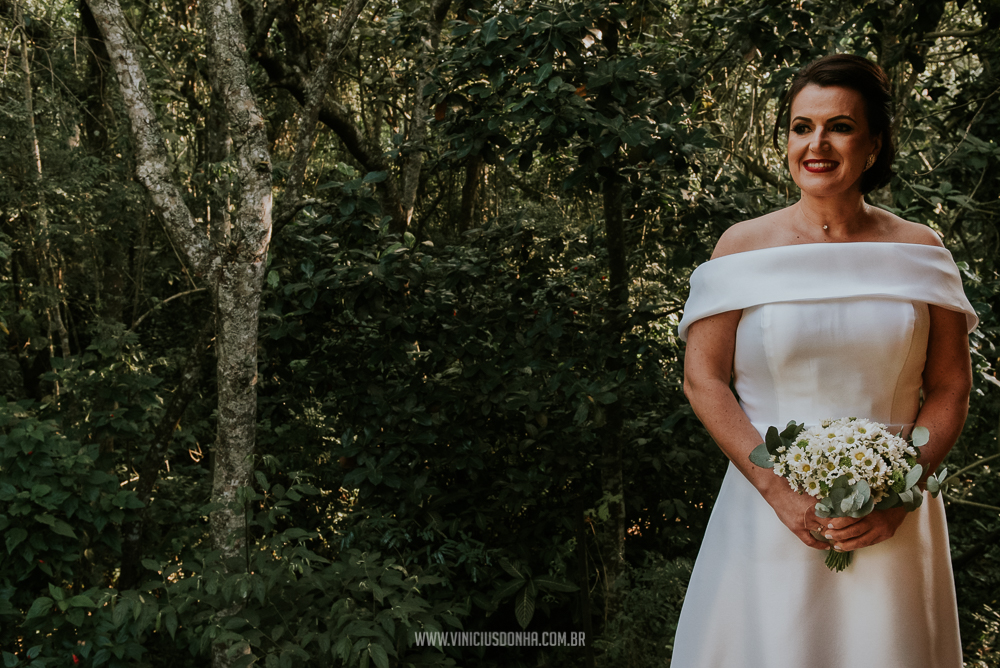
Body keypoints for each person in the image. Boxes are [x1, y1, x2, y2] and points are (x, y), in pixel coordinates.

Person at [670, 54, 977, 667]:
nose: (817, 143)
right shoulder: (741, 247)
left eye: (839, 126)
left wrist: (898, 494)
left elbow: (949, 387)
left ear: (873, 144)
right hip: (769, 511)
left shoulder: (920, 250)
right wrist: (776, 489)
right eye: (800, 126)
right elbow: (703, 379)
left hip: (892, 518)